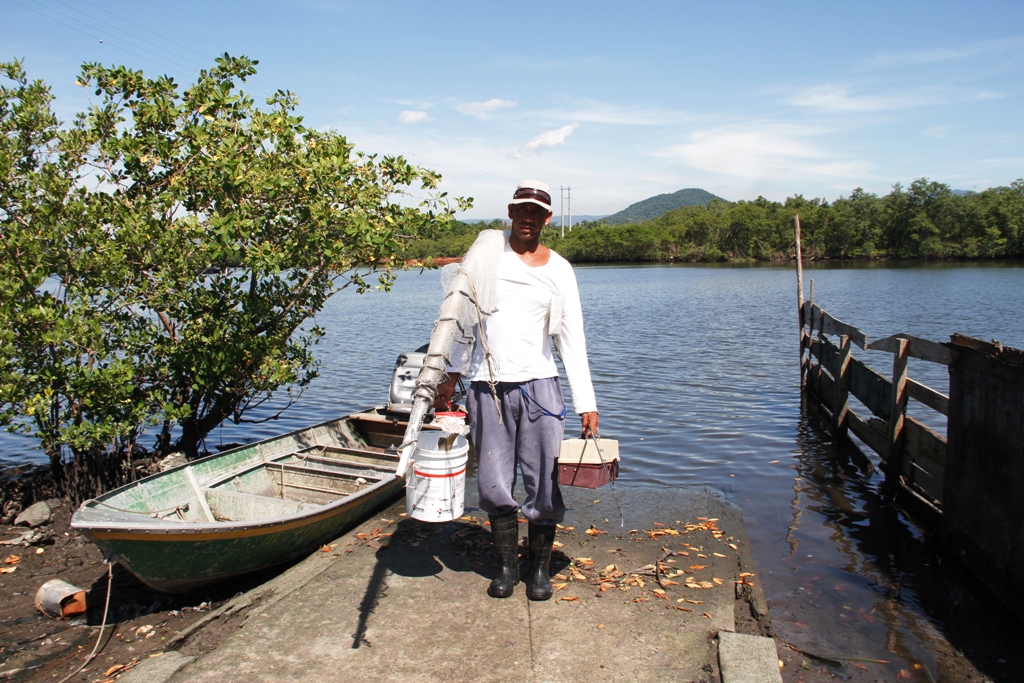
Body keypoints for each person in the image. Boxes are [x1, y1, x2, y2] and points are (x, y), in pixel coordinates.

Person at [435, 180, 598, 601]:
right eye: (521, 210)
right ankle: (507, 568)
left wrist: (587, 403)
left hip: (541, 386)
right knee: (492, 482)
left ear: (547, 218)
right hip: (487, 385)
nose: (528, 218)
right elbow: (461, 322)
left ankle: (538, 571)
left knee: (544, 482)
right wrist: (450, 377)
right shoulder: (486, 258)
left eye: (536, 212)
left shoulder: (560, 268)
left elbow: (571, 339)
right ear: (510, 212)